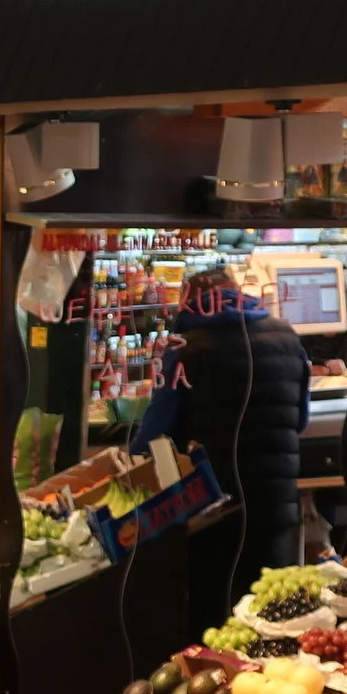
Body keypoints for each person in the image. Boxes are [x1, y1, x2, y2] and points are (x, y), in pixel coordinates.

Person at [128, 266, 313, 626]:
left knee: (213, 615)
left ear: (188, 301)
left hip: (211, 506)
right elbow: (300, 420)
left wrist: (131, 462)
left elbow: (154, 435)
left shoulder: (185, 349)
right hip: (275, 503)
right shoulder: (287, 337)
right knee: (269, 612)